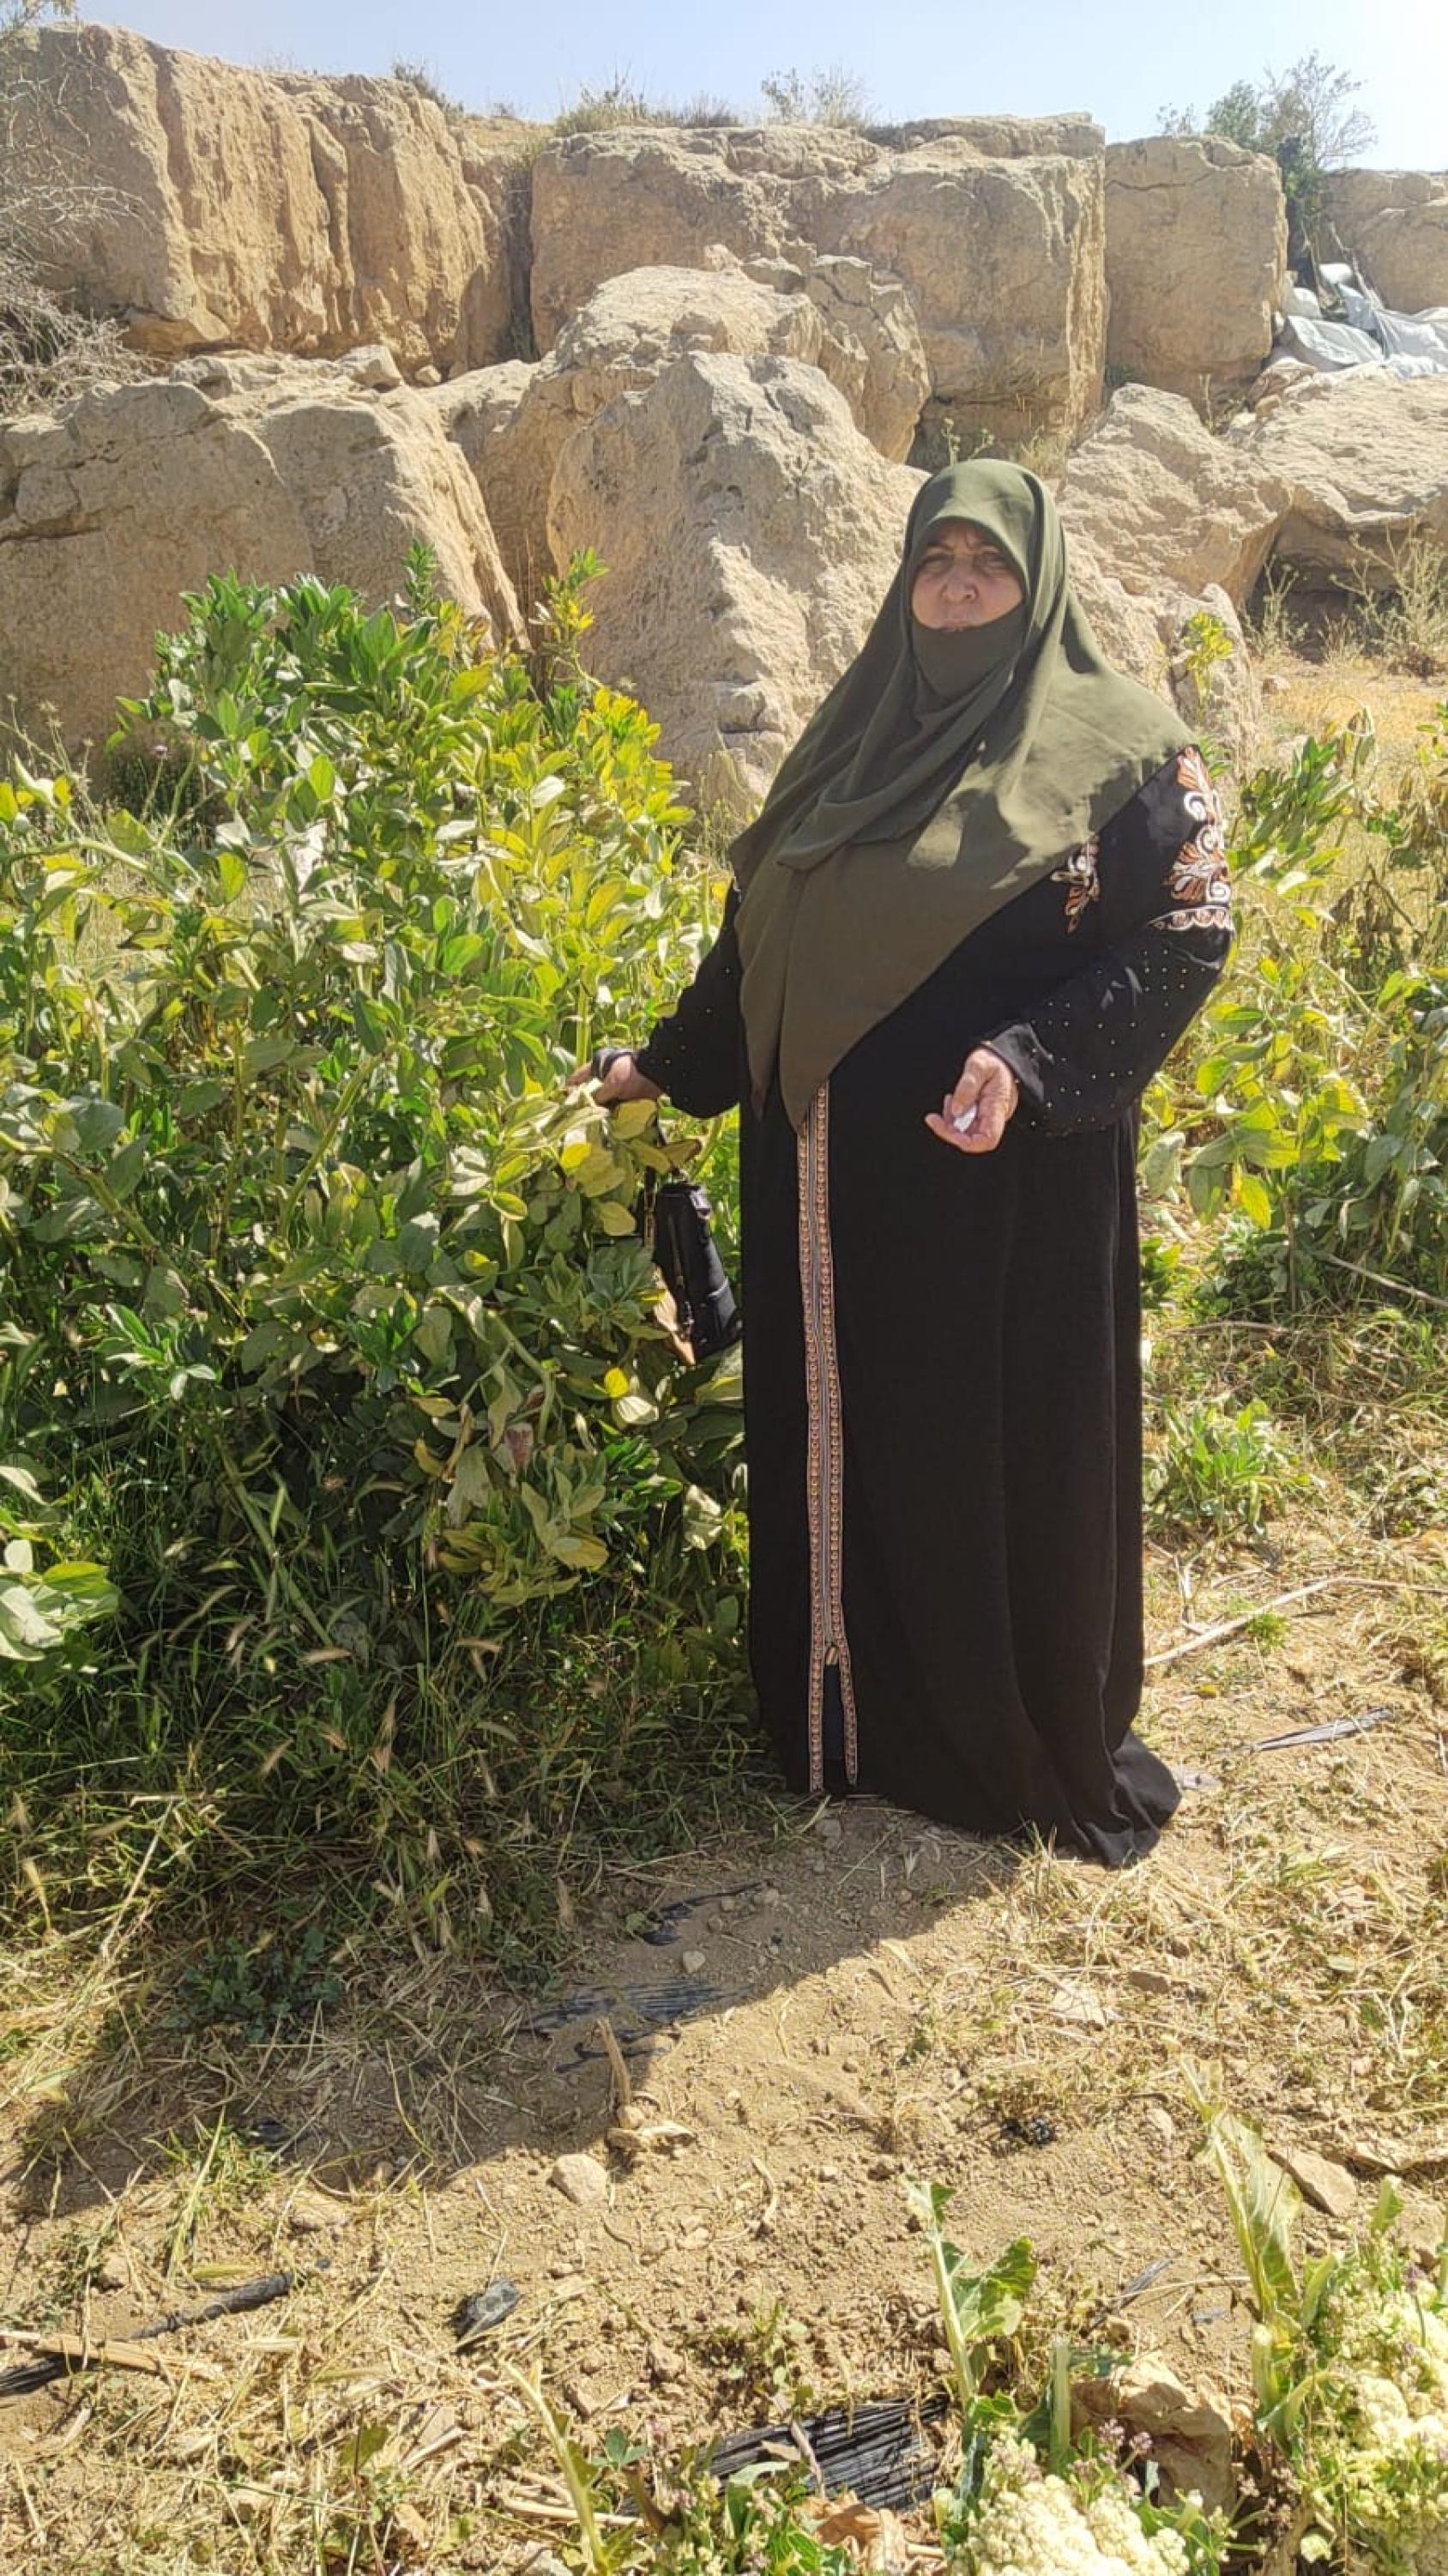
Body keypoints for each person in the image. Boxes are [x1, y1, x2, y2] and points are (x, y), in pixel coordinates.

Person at [576, 461, 1233, 1867]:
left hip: (1000, 1202)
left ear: (1036, 586)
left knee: (975, 1446)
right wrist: (668, 1065)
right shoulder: (853, 738)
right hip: (824, 1201)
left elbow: (1188, 931)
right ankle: (842, 1718)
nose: (958, 586)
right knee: (846, 1438)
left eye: (988, 565)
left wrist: (1030, 1059)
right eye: (937, 560)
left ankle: (996, 1734)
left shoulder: (1125, 755)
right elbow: (762, 934)